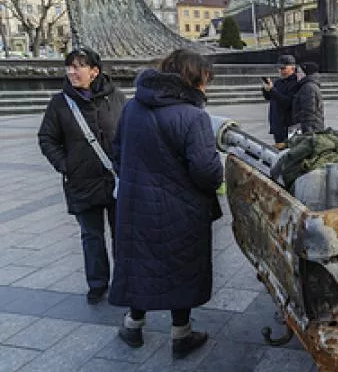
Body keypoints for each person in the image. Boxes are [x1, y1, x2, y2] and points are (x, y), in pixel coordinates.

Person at [109, 49, 224, 359]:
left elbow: (117, 151)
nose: (206, 87)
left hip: (136, 206)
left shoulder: (133, 107)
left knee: (141, 264)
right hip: (181, 209)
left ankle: (132, 326)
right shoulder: (193, 116)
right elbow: (207, 172)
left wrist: (138, 183)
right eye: (205, 81)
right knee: (180, 267)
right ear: (193, 78)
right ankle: (181, 335)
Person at [38, 47, 126, 305]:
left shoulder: (117, 98)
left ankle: (123, 282)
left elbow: (129, 132)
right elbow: (47, 138)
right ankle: (97, 284)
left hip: (114, 179)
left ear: (94, 71)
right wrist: (66, 165)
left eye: (78, 66)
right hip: (82, 182)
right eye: (69, 66)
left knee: (121, 234)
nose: (72, 72)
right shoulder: (60, 103)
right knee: (91, 235)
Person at [263, 54, 300, 144]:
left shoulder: (296, 83)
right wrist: (266, 90)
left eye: (284, 68)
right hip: (277, 125)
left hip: (290, 125)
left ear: (292, 68)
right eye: (280, 68)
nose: (281, 71)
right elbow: (269, 97)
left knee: (290, 150)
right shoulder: (278, 82)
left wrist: (272, 90)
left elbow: (287, 102)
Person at [291, 61, 325, 134]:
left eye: (299, 72)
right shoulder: (308, 85)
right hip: (312, 126)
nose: (297, 75)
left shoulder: (308, 87)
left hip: (310, 128)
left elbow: (309, 111)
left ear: (306, 73)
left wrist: (307, 131)